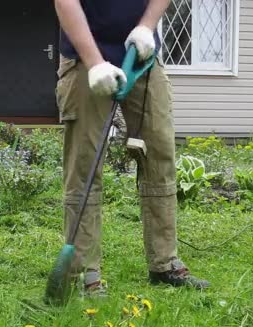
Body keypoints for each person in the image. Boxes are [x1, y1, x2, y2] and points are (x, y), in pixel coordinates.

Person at [54, 0, 210, 295]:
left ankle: (164, 263)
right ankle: (86, 274)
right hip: (84, 57)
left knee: (159, 156)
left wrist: (146, 26)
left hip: (142, 55)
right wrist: (95, 62)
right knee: (84, 166)